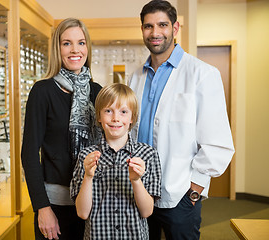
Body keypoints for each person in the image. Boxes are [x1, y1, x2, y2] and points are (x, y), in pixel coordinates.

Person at [128, 1, 235, 239]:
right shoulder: (135, 77)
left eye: (162, 25)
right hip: (139, 192)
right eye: (148, 26)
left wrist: (194, 191)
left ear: (175, 28)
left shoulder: (202, 74)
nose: (155, 33)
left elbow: (217, 142)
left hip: (179, 196)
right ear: (142, 29)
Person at [21, 18, 102, 240]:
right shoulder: (42, 91)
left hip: (94, 204)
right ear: (58, 48)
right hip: (55, 205)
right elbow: (28, 154)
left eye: (81, 43)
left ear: (87, 48)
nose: (75, 50)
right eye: (67, 43)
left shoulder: (98, 92)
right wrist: (42, 208)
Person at [70, 83, 161, 239]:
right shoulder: (86, 156)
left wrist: (136, 180)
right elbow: (82, 213)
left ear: (132, 117)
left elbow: (147, 211)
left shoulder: (148, 154)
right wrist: (88, 176)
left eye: (123, 112)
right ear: (99, 116)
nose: (115, 118)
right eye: (108, 111)